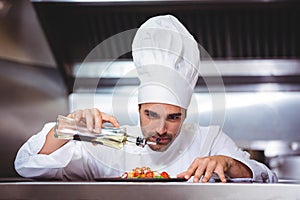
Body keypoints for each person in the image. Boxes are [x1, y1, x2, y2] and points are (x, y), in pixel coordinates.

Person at [14, 15, 277, 183]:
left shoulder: (208, 140)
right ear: (138, 108)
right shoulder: (109, 143)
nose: (161, 129)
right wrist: (69, 127)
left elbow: (265, 178)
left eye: (173, 117)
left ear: (185, 114)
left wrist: (228, 164)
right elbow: (28, 166)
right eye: (151, 114)